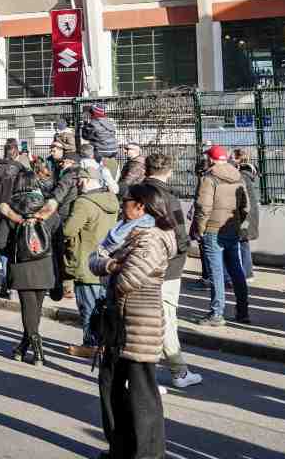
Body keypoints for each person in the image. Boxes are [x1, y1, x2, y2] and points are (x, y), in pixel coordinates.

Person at [90, 184, 178, 459]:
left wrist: (111, 265)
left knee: (142, 393)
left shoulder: (153, 237)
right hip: (119, 322)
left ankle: (148, 454)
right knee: (110, 385)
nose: (120, 204)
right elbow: (94, 260)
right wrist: (114, 264)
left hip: (140, 322)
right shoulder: (126, 233)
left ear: (140, 205)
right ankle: (120, 448)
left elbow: (129, 279)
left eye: (124, 200)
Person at [139, 154, 202, 389]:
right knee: (165, 319)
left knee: (141, 320)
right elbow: (179, 234)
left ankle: (141, 376)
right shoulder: (168, 197)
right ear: (170, 171)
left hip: (140, 264)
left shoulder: (133, 192)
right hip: (167, 266)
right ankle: (177, 371)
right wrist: (183, 250)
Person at [0, 168, 58, 365]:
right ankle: (24, 347)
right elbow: (58, 236)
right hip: (45, 263)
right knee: (35, 310)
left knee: (29, 309)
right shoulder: (47, 208)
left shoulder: (10, 208)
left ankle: (37, 351)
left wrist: (14, 253)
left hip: (21, 266)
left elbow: (1, 241)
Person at [62, 165, 119, 358]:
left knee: (88, 308)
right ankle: (105, 343)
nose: (77, 183)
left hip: (86, 263)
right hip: (107, 263)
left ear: (86, 180)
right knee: (104, 307)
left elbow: (68, 230)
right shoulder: (112, 200)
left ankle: (91, 344)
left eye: (79, 180)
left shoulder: (83, 203)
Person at [193, 145, 250, 327]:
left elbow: (203, 207)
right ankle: (243, 312)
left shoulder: (209, 178)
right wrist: (238, 224)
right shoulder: (238, 175)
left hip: (213, 230)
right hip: (231, 229)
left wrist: (200, 229)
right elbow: (245, 206)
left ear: (211, 159)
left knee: (216, 272)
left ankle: (217, 314)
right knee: (237, 270)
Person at [0, 142, 24, 298]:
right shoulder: (21, 171)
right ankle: (15, 283)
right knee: (17, 247)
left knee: (3, 249)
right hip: (16, 213)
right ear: (16, 154)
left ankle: (6, 284)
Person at [231, 148, 260, 281]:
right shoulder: (249, 174)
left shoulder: (240, 176)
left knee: (240, 243)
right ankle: (247, 273)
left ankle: (244, 273)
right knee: (243, 242)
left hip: (243, 215)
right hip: (249, 214)